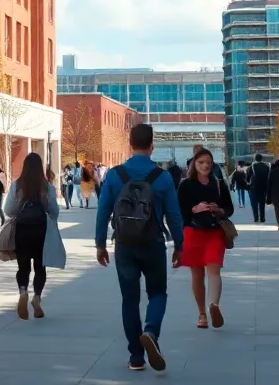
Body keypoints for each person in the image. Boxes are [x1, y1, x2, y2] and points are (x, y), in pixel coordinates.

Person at [96, 123, 183, 373]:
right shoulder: (162, 177)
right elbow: (174, 215)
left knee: (130, 300)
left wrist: (100, 244)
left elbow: (103, 211)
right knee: (158, 293)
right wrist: (179, 245)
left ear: (130, 145)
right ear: (152, 146)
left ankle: (136, 356)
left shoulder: (115, 175)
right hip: (153, 244)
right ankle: (151, 331)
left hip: (124, 245)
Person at [5, 152, 66, 320]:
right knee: (40, 267)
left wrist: (20, 205)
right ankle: (37, 298)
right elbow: (54, 212)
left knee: (23, 267)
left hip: (22, 230)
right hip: (41, 231)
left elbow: (8, 210)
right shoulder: (47, 187)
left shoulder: (17, 185)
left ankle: (23, 291)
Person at [178, 149, 233, 330]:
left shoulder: (218, 183)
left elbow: (229, 208)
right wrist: (194, 209)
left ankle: (214, 305)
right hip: (193, 232)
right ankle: (202, 313)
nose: (205, 165)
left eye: (208, 162)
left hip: (215, 231)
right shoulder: (186, 185)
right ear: (194, 164)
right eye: (201, 162)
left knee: (214, 268)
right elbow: (179, 212)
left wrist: (218, 209)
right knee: (197, 274)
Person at [247, 153, 271, 224]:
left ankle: (256, 218)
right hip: (263, 188)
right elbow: (268, 177)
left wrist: (249, 184)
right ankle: (262, 218)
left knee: (254, 204)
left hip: (253, 188)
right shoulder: (266, 167)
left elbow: (247, 178)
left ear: (254, 159)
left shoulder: (251, 167)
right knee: (262, 204)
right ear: (261, 159)